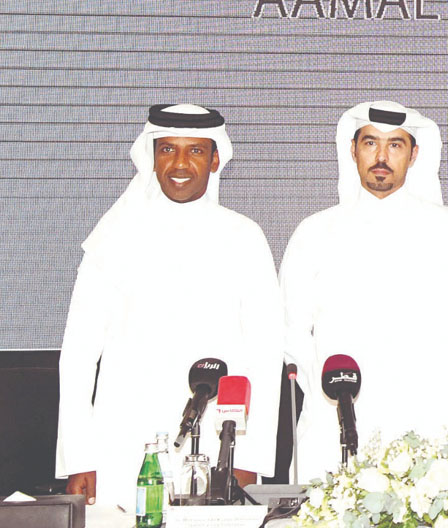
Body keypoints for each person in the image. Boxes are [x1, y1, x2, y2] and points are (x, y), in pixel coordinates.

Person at [56, 104, 282, 508]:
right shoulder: (113, 237)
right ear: (151, 156)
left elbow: (265, 358)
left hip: (217, 444)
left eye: (195, 151)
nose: (180, 163)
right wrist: (78, 457)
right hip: (121, 443)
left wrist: (250, 458)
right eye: (167, 150)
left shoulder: (245, 237)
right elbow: (78, 355)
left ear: (215, 160)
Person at [281, 100, 448, 480]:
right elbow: (290, 329)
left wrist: (436, 387)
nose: (382, 156)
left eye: (395, 145)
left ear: (414, 155)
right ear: (352, 150)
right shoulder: (314, 232)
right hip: (332, 425)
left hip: (427, 425)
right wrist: (323, 393)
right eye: (370, 144)